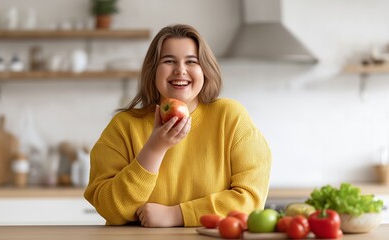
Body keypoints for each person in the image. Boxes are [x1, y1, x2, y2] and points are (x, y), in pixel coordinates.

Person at [84, 24, 272, 227]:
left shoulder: (231, 117)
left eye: (191, 61)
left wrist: (177, 215)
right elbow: (110, 208)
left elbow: (251, 200)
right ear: (153, 69)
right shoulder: (123, 126)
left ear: (205, 69)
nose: (180, 70)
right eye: (169, 61)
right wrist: (155, 148)